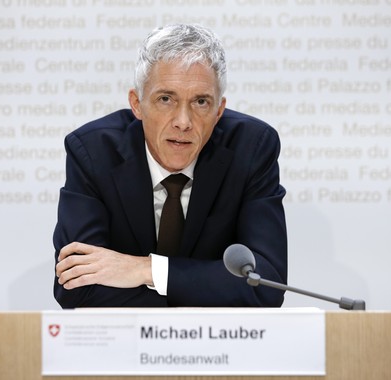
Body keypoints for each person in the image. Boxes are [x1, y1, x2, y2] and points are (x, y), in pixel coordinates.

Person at [53, 24, 287, 307]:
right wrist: (204, 291)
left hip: (220, 345)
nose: (183, 122)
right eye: (166, 99)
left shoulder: (252, 148)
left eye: (201, 102)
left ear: (219, 111)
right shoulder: (93, 152)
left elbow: (266, 284)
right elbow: (75, 286)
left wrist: (146, 270)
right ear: (137, 104)